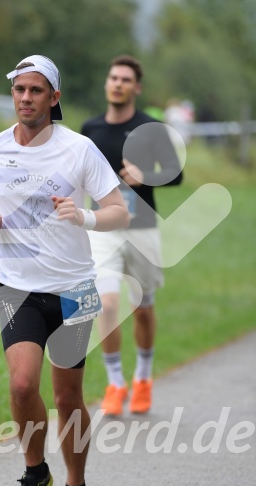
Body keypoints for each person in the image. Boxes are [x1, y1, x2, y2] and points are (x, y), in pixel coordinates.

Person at [0, 55, 129, 486]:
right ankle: (35, 472)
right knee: (20, 385)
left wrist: (86, 217)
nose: (26, 98)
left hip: (74, 289)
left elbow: (118, 210)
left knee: (68, 395)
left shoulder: (78, 150)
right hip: (18, 287)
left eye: (36, 91)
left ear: (54, 98)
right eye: (20, 90)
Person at [81, 55, 183, 416]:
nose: (118, 83)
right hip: (103, 229)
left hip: (142, 228)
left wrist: (147, 175)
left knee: (142, 309)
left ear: (136, 87)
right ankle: (115, 382)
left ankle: (142, 377)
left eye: (125, 79)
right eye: (113, 77)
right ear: (107, 84)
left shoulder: (151, 128)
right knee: (106, 305)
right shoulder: (90, 129)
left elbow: (176, 173)